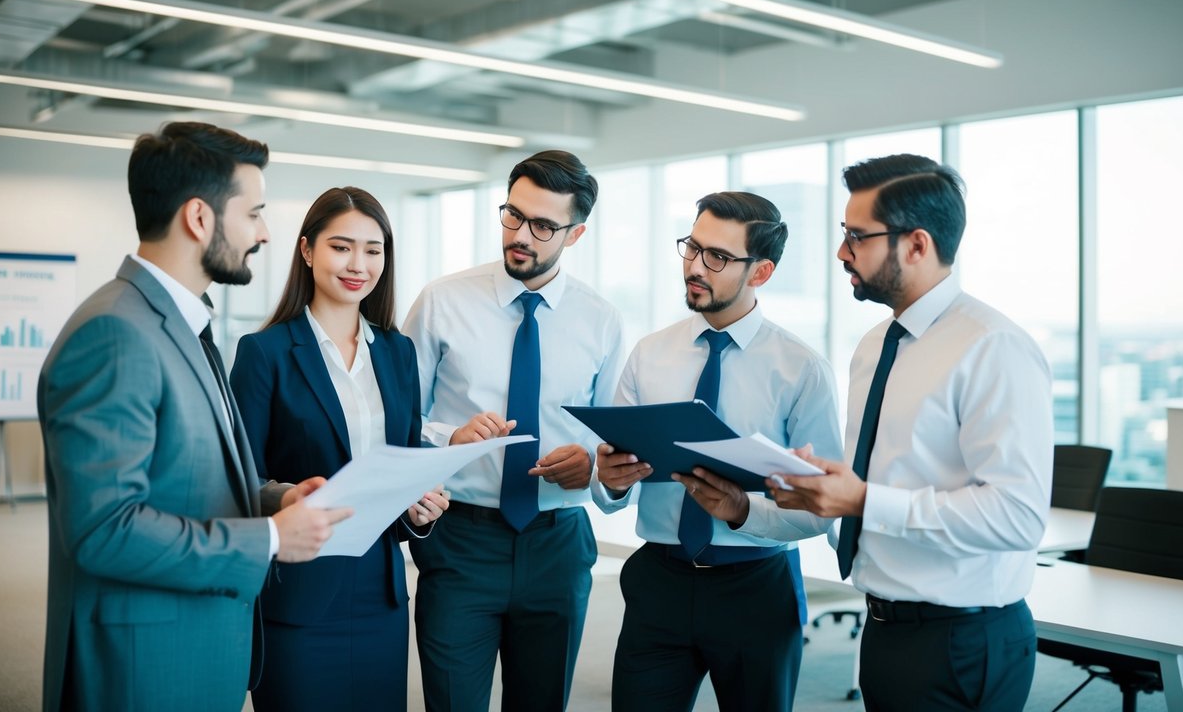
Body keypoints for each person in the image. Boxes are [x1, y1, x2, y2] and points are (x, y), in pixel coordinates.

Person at [37, 122, 351, 712]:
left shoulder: (183, 323)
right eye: (254, 212)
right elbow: (103, 530)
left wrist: (276, 500)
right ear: (200, 219)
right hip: (144, 670)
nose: (264, 233)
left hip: (196, 648)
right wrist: (270, 539)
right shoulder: (114, 334)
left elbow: (188, 479)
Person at [750, 154, 1053, 711]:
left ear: (916, 245)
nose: (842, 252)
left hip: (964, 637)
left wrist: (866, 499)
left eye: (857, 237)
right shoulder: (873, 346)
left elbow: (1018, 515)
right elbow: (887, 478)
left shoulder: (992, 347)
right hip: (886, 624)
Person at [594, 191, 842, 712]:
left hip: (756, 586)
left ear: (762, 272)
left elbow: (823, 508)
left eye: (719, 258)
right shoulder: (651, 353)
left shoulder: (801, 369)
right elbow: (611, 490)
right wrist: (612, 480)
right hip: (658, 581)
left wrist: (743, 510)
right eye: (692, 248)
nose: (695, 267)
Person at [402, 149, 626, 712]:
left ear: (575, 235)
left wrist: (594, 466)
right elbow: (395, 419)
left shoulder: (601, 320)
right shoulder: (442, 302)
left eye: (544, 225)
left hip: (558, 541)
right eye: (513, 215)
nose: (521, 235)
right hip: (461, 542)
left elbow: (618, 444)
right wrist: (448, 437)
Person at [228, 187, 452, 711]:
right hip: (299, 592)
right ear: (307, 251)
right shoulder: (265, 353)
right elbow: (237, 479)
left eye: (373, 250)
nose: (359, 264)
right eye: (341, 247)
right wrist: (287, 497)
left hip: (381, 591)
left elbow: (401, 463)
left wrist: (419, 508)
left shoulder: (398, 353)